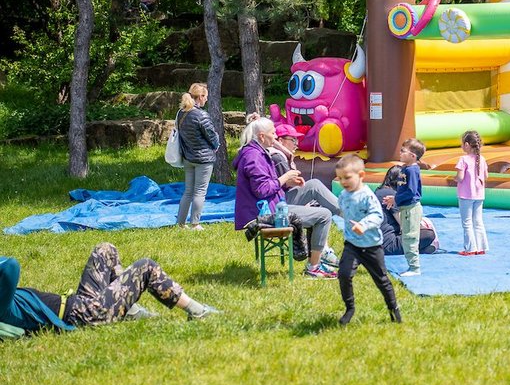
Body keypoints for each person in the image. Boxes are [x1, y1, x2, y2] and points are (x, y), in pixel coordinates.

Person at [0, 243, 218, 335]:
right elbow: (11, 266)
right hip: (85, 314)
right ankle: (198, 311)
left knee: (105, 250)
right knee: (146, 267)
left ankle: (129, 312)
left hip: (79, 304)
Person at [233, 117, 337, 279]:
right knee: (324, 215)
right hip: (263, 213)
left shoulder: (256, 152)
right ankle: (313, 268)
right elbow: (262, 190)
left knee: (314, 185)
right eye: (273, 134)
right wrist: (285, 177)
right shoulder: (254, 157)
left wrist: (287, 181)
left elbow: (266, 185)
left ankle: (350, 214)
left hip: (272, 204)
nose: (275, 138)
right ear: (261, 136)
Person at [335, 154, 401, 325]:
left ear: (361, 176)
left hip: (372, 246)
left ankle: (393, 308)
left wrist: (363, 225)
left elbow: (377, 215)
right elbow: (343, 210)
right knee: (344, 274)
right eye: (340, 178)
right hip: (352, 244)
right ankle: (350, 308)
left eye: (347, 177)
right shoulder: (343, 195)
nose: (343, 181)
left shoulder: (368, 196)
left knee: (381, 279)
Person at [175, 82, 219, 230]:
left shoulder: (181, 113)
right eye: (205, 96)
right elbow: (212, 136)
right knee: (200, 191)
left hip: (188, 157)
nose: (206, 99)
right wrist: (216, 145)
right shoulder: (201, 114)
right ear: (200, 96)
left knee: (188, 191)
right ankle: (195, 223)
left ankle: (180, 223)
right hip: (203, 159)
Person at [382, 138, 425, 276]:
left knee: (410, 237)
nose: (400, 153)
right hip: (406, 208)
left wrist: (396, 199)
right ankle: (411, 266)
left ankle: (414, 268)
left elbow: (411, 191)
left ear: (412, 156)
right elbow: (402, 190)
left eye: (403, 151)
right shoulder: (405, 168)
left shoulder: (412, 170)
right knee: (407, 236)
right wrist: (394, 199)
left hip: (411, 209)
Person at [375, 166, 438, 256]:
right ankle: (420, 249)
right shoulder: (391, 196)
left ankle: (420, 249)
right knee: (429, 234)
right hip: (388, 244)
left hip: (377, 243)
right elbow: (404, 223)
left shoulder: (379, 191)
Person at [455, 130, 488, 255]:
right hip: (479, 194)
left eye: (462, 144)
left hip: (466, 195)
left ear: (467, 145)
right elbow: (486, 175)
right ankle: (481, 247)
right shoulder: (482, 159)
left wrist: (454, 178)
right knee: (478, 221)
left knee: (467, 222)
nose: (462, 146)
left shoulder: (463, 159)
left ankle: (470, 248)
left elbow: (460, 177)